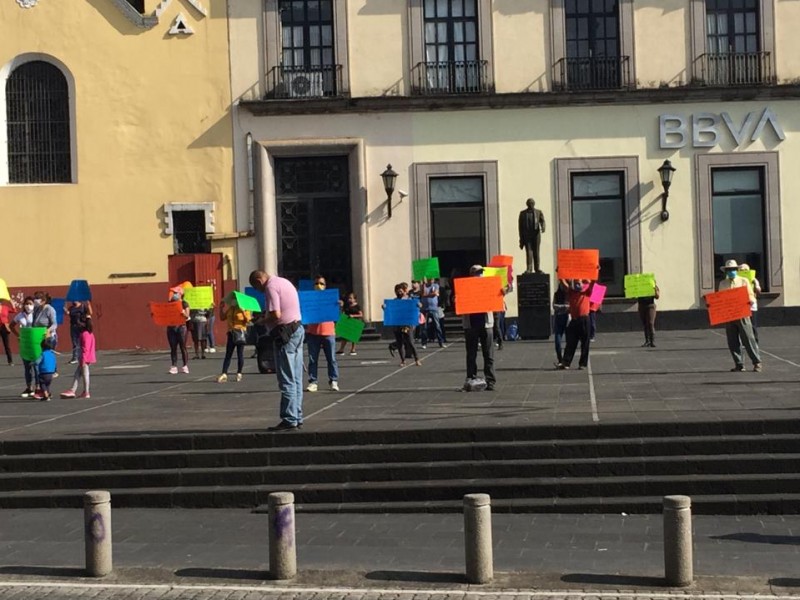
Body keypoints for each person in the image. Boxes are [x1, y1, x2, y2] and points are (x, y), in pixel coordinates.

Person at [249, 269, 305, 431]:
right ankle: (297, 415)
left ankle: (289, 418)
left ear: (259, 281)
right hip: (297, 328)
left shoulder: (271, 287)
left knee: (286, 378)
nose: (259, 291)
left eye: (257, 288)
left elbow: (275, 314)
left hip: (284, 333)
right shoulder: (284, 282)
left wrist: (261, 321)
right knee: (296, 378)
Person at [717, 259, 761, 372]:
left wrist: (750, 301)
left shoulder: (744, 280)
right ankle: (739, 363)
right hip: (729, 315)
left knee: (748, 338)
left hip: (742, 313)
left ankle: (757, 362)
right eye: (729, 270)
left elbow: (751, 295)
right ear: (726, 271)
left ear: (736, 270)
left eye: (733, 269)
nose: (731, 271)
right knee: (732, 340)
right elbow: (720, 298)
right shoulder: (723, 283)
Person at [461, 265, 496, 391]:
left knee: (489, 354)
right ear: (471, 274)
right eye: (477, 273)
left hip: (486, 323)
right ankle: (471, 377)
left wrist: (506, 286)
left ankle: (490, 380)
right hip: (471, 324)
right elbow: (457, 301)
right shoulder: (464, 287)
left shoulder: (488, 286)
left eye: (481, 273)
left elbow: (502, 292)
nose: (480, 275)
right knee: (471, 354)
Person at [305, 275, 340, 393]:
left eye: (321, 283)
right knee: (312, 359)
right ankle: (313, 382)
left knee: (331, 358)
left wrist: (340, 305)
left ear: (325, 286)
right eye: (316, 283)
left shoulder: (330, 299)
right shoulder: (309, 299)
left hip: (328, 332)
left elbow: (338, 314)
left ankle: (333, 380)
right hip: (312, 332)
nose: (319, 286)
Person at [555, 279, 592, 370]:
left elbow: (593, 283)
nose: (577, 284)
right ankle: (566, 363)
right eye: (575, 283)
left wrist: (595, 273)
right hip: (574, 319)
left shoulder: (587, 291)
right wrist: (561, 274)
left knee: (585, 343)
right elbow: (564, 283)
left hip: (584, 319)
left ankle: (582, 364)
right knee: (571, 342)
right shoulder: (571, 291)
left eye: (579, 282)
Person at [384, 283, 421, 367]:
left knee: (410, 342)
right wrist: (384, 307)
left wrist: (418, 305)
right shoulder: (395, 301)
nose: (399, 293)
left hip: (407, 324)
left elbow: (417, 306)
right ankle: (403, 360)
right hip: (397, 324)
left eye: (400, 291)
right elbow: (390, 310)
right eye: (397, 291)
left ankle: (417, 359)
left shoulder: (409, 300)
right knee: (400, 342)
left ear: (404, 291)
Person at [217, 296, 251, 383]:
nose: (234, 301)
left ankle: (239, 372)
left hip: (240, 333)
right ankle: (224, 373)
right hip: (231, 333)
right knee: (228, 354)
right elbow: (222, 318)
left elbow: (248, 320)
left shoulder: (245, 308)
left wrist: (243, 311)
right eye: (233, 299)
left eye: (235, 300)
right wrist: (221, 309)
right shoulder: (230, 309)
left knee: (240, 354)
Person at [60, 317, 96, 399]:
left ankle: (85, 392)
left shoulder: (84, 334)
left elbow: (85, 349)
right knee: (78, 374)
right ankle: (74, 390)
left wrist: (83, 360)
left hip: (85, 358)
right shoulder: (90, 334)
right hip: (88, 357)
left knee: (85, 374)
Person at [10, 296, 37, 397]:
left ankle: (38, 387)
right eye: (26, 304)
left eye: (30, 303)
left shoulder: (36, 314)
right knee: (27, 366)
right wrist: (18, 335)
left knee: (36, 366)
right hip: (25, 343)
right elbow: (12, 325)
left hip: (35, 343)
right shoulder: (20, 315)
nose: (28, 306)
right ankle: (29, 387)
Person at [166, 287, 190, 374]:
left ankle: (185, 365)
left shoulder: (184, 303)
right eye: (173, 293)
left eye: (176, 293)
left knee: (183, 347)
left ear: (180, 294)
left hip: (181, 328)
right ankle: (174, 366)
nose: (174, 294)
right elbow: (165, 314)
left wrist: (183, 313)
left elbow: (187, 316)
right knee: (173, 348)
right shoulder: (170, 303)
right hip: (171, 327)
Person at [518, 198, 546, 273]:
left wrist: (543, 227)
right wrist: (521, 239)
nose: (531, 204)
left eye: (532, 203)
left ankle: (537, 268)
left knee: (536, 251)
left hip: (536, 235)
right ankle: (529, 268)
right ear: (527, 204)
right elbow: (520, 227)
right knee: (529, 252)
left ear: (534, 204)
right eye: (529, 203)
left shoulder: (538, 212)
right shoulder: (522, 213)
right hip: (527, 235)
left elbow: (542, 221)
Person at [738, 263, 761, 344]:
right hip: (741, 304)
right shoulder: (737, 280)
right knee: (743, 324)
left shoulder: (754, 280)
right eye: (741, 270)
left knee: (752, 324)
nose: (743, 271)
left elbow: (758, 291)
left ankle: (755, 341)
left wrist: (755, 286)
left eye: (745, 270)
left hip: (751, 304)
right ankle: (744, 341)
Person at [420, 277, 446, 349]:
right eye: (429, 279)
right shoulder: (423, 286)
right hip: (424, 309)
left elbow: (434, 294)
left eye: (432, 279)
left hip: (434, 308)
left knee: (437, 326)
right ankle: (424, 343)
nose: (431, 280)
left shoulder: (436, 285)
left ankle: (441, 342)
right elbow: (422, 294)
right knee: (424, 327)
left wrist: (426, 295)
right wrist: (424, 285)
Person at [336, 291, 363, 356]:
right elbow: (343, 312)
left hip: (355, 322)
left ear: (354, 299)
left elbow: (361, 314)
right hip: (347, 322)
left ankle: (353, 349)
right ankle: (341, 349)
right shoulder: (347, 305)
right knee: (344, 336)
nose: (349, 299)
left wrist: (353, 316)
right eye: (349, 298)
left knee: (353, 336)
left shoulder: (357, 306)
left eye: (351, 298)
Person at [638, 282, 660, 348]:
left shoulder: (653, 287)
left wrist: (654, 289)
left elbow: (657, 296)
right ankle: (647, 341)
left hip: (650, 306)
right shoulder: (639, 286)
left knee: (650, 323)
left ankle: (652, 341)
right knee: (645, 324)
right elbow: (633, 295)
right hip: (641, 306)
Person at [552, 280, 570, 364]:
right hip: (559, 318)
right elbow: (554, 306)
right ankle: (560, 358)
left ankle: (566, 359)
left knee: (569, 341)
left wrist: (561, 307)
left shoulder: (569, 294)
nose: (563, 287)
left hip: (568, 319)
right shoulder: (557, 294)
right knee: (557, 341)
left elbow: (570, 306)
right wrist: (564, 307)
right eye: (562, 285)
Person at [0, 300, 13, 366]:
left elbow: (14, 310)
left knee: (7, 345)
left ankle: (10, 361)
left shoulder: (5, 307)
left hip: (4, 327)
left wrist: (12, 302)